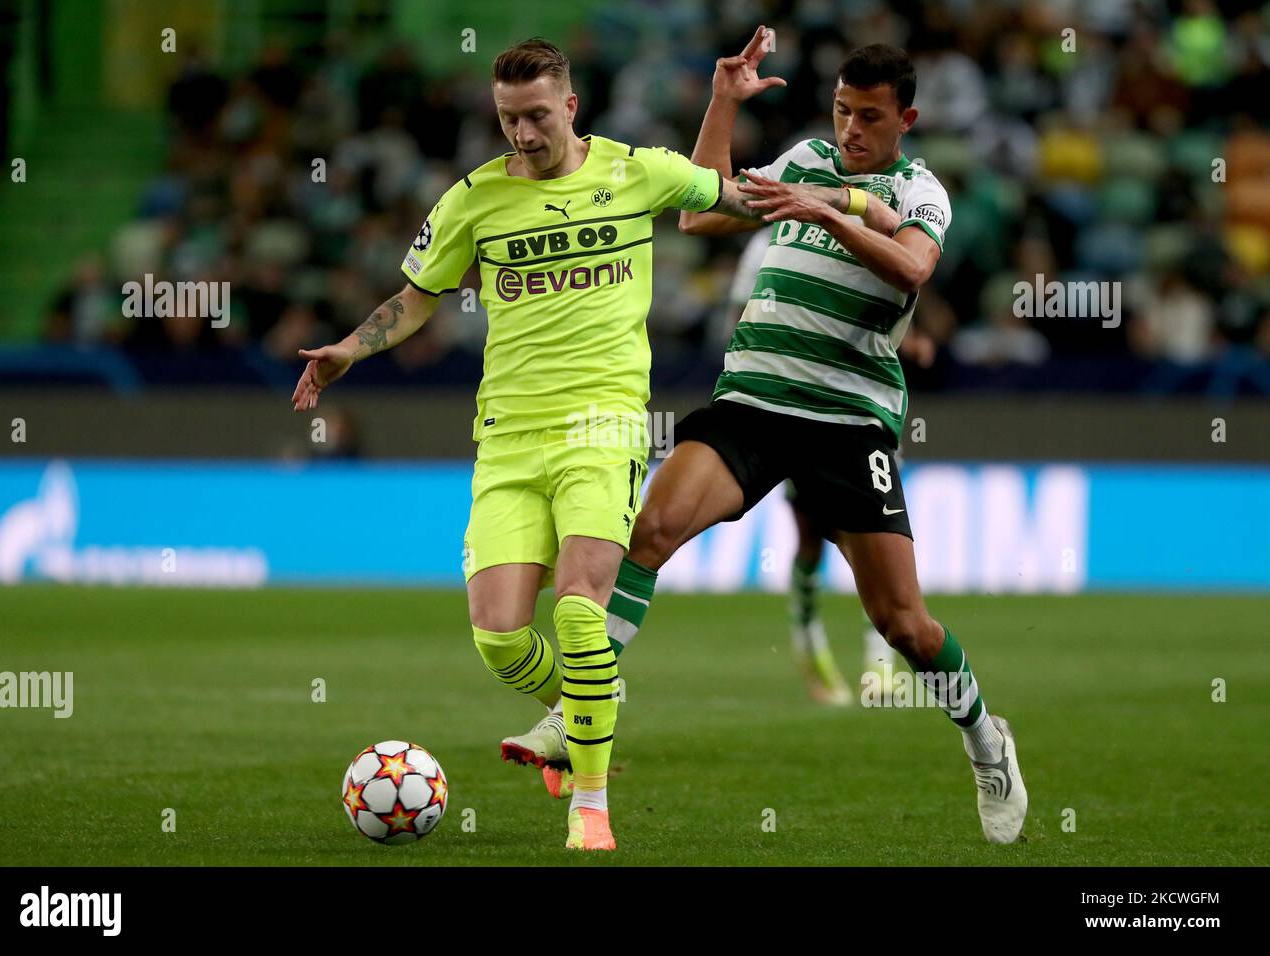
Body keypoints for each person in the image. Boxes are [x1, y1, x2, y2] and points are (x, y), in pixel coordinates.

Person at [291, 36, 862, 851]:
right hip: (508, 438)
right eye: (506, 120)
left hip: (603, 427)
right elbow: (416, 300)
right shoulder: (472, 201)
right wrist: (351, 346)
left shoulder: (638, 171)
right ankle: (590, 703)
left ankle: (588, 806)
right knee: (498, 638)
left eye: (534, 116)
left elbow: (734, 200)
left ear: (570, 105)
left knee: (582, 610)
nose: (521, 134)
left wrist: (855, 209)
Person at [518, 35, 1029, 844]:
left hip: (846, 419)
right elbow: (698, 210)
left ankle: (984, 739)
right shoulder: (803, 159)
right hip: (752, 399)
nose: (850, 128)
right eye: (841, 110)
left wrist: (831, 207)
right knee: (648, 530)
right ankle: (578, 704)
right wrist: (724, 101)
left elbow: (913, 270)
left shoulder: (920, 189)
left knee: (905, 626)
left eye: (869, 116)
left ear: (907, 119)